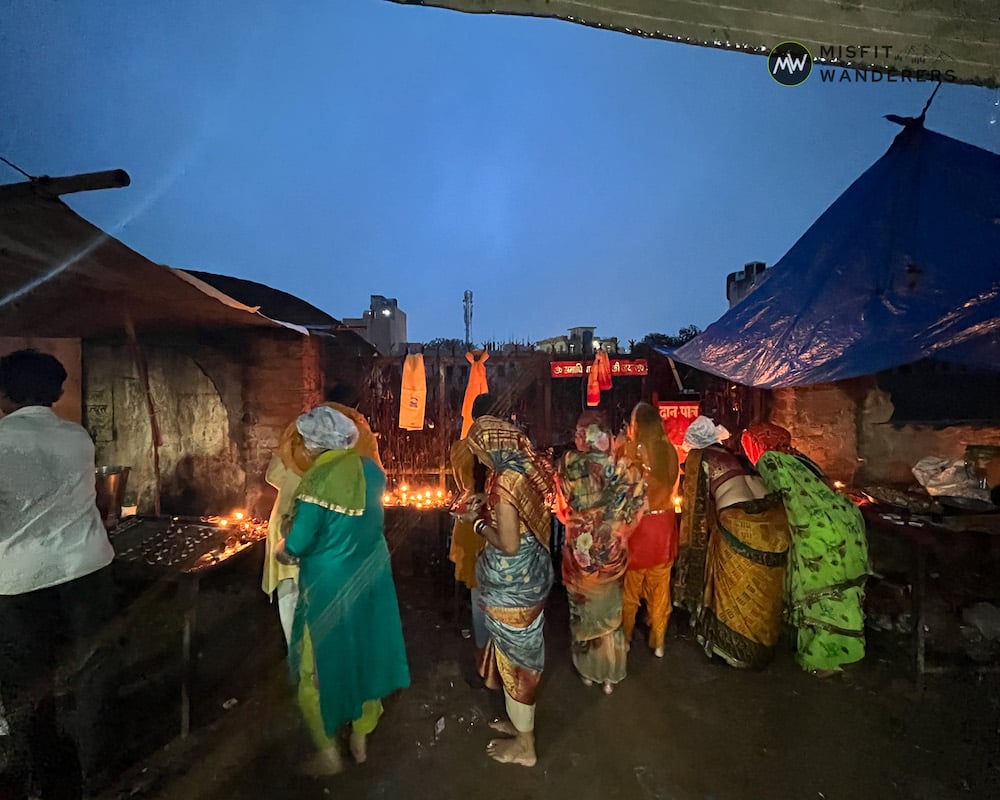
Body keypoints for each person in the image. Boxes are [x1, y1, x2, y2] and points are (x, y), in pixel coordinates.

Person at [0, 349, 117, 799]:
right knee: (92, 667)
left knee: (28, 679)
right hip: (86, 565)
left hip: (19, 579)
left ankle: (45, 774)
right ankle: (94, 764)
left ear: (5, 394)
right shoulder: (77, 437)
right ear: (56, 391)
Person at [277, 406, 409, 775]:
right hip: (371, 578)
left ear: (314, 443)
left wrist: (284, 545)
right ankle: (362, 735)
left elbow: (299, 543)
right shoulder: (370, 471)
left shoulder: (317, 482)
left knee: (313, 670)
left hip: (328, 587)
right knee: (364, 655)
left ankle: (329, 752)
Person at [459, 414, 555, 767]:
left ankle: (525, 746)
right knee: (516, 654)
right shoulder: (525, 467)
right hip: (532, 576)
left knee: (518, 665)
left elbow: (509, 543)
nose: (480, 459)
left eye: (479, 451)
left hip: (514, 587)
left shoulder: (504, 481)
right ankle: (518, 725)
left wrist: (479, 522)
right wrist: (487, 501)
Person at [743, 423, 871, 676]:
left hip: (815, 530)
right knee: (843, 588)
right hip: (846, 520)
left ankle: (823, 659)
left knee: (820, 592)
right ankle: (848, 648)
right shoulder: (799, 457)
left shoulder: (770, 461)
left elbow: (772, 497)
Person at [262, 383, 381, 644]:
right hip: (333, 535)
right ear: (356, 407)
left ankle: (301, 663)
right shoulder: (359, 434)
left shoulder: (298, 429)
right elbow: (371, 485)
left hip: (288, 526)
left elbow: (273, 475)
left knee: (291, 599)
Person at [677, 416, 790, 669]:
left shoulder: (700, 457)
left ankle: (733, 649)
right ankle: (763, 643)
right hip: (773, 518)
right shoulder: (733, 456)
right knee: (759, 583)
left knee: (734, 583)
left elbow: (694, 510)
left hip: (740, 522)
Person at [556, 411, 644, 694]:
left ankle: (589, 672)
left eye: (579, 433)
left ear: (586, 436)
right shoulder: (626, 466)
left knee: (583, 610)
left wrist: (581, 523)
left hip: (580, 552)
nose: (576, 439)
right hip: (611, 552)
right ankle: (611, 674)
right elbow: (638, 509)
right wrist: (618, 532)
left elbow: (560, 510)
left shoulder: (568, 463)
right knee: (610, 610)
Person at [618, 402, 680, 658]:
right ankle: (659, 642)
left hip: (640, 527)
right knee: (660, 588)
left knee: (631, 591)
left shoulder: (633, 451)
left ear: (638, 426)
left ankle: (626, 639)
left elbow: (623, 489)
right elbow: (674, 489)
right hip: (665, 526)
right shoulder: (671, 451)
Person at [448, 393, 497, 650]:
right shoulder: (502, 452)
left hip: (468, 519)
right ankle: (493, 645)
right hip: (494, 521)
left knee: (472, 584)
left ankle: (476, 638)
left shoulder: (459, 448)